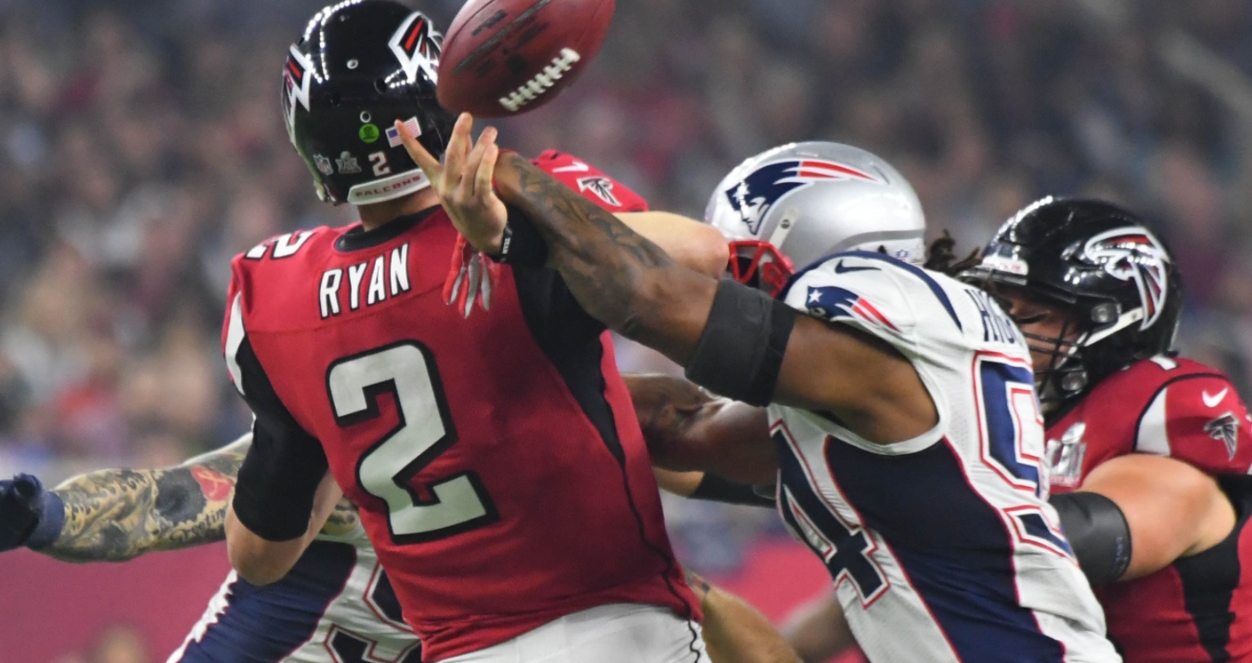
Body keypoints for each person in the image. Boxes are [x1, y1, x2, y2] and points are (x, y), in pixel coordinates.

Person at [403, 126, 1121, 663]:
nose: (728, 287)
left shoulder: (878, 340)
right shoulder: (882, 391)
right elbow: (680, 428)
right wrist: (473, 390)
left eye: (739, 270)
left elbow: (649, 296)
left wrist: (511, 187)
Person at [221, 0, 730, 663]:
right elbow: (703, 254)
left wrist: (327, 436)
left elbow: (258, 556)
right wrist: (522, 224)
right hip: (620, 629)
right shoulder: (517, 213)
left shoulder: (275, 297)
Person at [0, 437, 802, 663]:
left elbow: (699, 459)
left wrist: (824, 483)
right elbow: (170, 500)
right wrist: (43, 515)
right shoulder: (350, 438)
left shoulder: (561, 435)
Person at [960, 197, 1252, 662]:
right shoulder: (1006, 419)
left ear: (1114, 324)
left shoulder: (1161, 407)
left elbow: (1082, 538)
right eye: (1000, 308)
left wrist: (930, 520)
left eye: (1033, 315)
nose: (1005, 334)